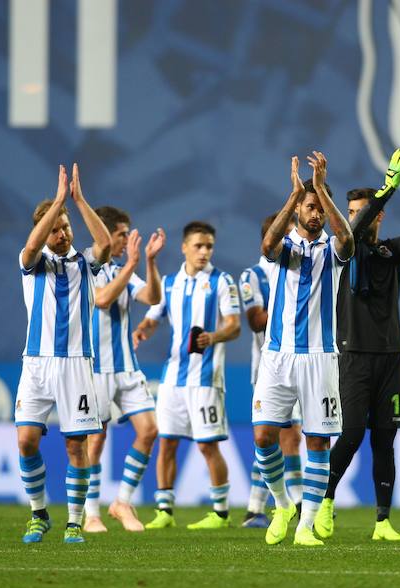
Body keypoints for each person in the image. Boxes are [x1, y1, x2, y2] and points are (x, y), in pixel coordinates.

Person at [315, 149, 400, 541]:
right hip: (353, 357)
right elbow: (352, 232)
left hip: (391, 359)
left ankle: (382, 522)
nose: (353, 216)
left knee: (384, 440)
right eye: (350, 211)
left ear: (379, 215)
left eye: (360, 210)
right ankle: (324, 502)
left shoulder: (390, 252)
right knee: (351, 435)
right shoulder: (345, 249)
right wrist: (386, 190)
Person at [252, 151, 354, 547]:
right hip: (277, 358)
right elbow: (267, 243)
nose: (314, 214)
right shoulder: (287, 251)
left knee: (317, 441)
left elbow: (346, 237)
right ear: (298, 210)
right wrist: (293, 196)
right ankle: (281, 504)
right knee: (263, 437)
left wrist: (322, 189)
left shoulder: (333, 251)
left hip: (319, 358)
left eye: (318, 208)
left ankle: (306, 526)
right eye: (309, 207)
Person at [15, 164, 111, 544]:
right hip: (35, 363)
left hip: (75, 364)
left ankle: (74, 521)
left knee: (76, 444)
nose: (62, 233)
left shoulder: (86, 263)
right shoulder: (32, 264)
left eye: (65, 227)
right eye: (55, 227)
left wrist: (78, 201)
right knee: (25, 441)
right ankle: (39, 514)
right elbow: (30, 247)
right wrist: (56, 202)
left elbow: (104, 243)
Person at [133, 221, 241, 530]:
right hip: (172, 380)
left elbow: (234, 325)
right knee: (166, 443)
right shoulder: (169, 284)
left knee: (207, 446)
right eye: (198, 246)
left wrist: (214, 337)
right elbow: (154, 318)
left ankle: (220, 513)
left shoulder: (222, 282)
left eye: (209, 246)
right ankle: (164, 510)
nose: (204, 252)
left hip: (206, 379)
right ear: (184, 248)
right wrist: (142, 330)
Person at [83, 206, 165, 533]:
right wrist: (131, 265)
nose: (125, 241)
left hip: (127, 367)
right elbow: (102, 300)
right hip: (95, 368)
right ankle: (90, 514)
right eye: (121, 235)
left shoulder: (122, 268)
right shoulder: (85, 266)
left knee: (149, 430)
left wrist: (149, 261)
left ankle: (121, 502)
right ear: (103, 234)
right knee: (95, 439)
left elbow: (152, 296)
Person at [240, 215, 304, 528]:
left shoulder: (301, 267)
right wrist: (293, 309)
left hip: (299, 363)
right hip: (267, 366)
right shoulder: (253, 275)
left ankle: (280, 505)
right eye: (289, 234)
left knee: (289, 438)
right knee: (269, 436)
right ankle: (262, 507)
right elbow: (254, 321)